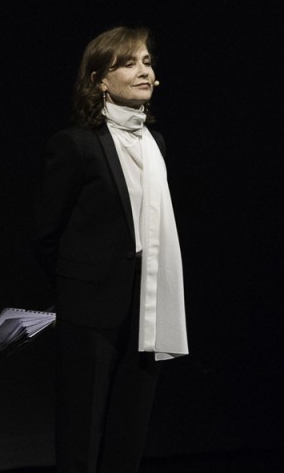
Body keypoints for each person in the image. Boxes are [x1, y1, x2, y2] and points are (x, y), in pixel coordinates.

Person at [31, 26, 188, 473]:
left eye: (147, 62)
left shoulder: (156, 143)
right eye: (129, 63)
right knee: (82, 431)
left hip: (149, 302)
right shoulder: (76, 144)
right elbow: (46, 233)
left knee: (130, 429)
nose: (144, 71)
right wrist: (78, 286)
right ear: (100, 78)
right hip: (92, 305)